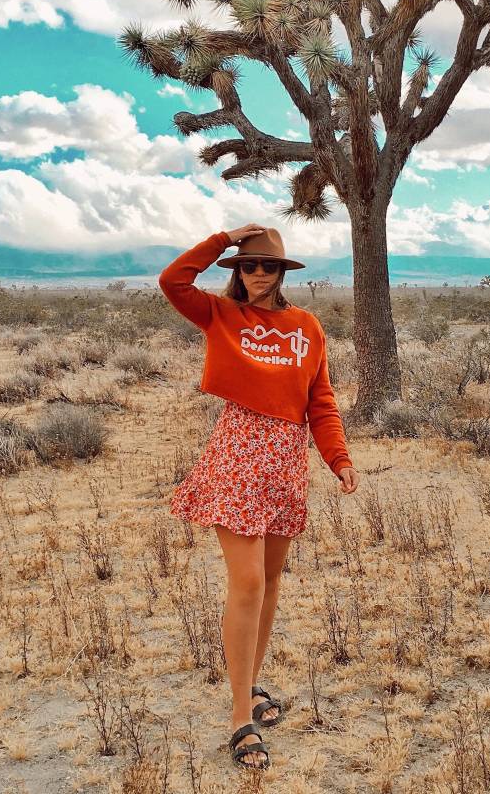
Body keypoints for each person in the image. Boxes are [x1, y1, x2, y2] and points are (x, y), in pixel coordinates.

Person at [158, 223, 360, 771]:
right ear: (237, 271)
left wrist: (337, 458)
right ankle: (239, 719)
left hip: (286, 459)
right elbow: (173, 281)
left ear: (282, 273)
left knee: (269, 583)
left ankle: (247, 690)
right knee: (245, 581)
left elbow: (321, 400)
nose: (257, 274)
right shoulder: (220, 316)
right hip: (239, 453)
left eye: (267, 266)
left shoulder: (306, 326)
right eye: (248, 266)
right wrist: (222, 239)